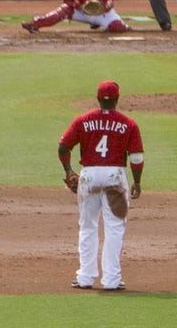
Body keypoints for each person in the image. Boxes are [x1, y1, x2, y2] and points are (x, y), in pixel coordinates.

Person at [56, 79, 146, 291]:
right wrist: (137, 182)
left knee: (87, 226)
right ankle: (111, 281)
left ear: (98, 99)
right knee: (114, 229)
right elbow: (136, 158)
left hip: (89, 176)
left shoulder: (83, 120)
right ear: (117, 99)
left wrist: (69, 171)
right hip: (114, 176)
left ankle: (85, 278)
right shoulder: (129, 124)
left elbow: (63, 147)